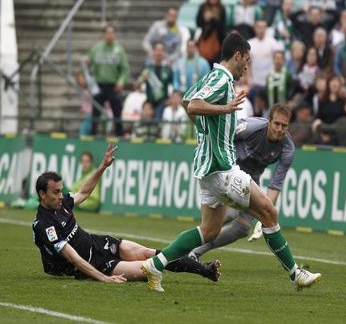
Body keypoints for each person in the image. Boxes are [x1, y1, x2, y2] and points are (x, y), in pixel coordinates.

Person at [141, 32, 321, 292]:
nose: (246, 67)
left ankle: (155, 265)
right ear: (237, 56)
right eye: (245, 61)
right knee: (269, 213)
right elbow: (193, 106)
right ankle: (296, 275)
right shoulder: (223, 80)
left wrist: (206, 131)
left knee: (209, 231)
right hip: (223, 168)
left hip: (207, 170)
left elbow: (185, 100)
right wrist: (224, 110)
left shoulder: (211, 76)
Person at [32, 144, 220, 283]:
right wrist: (103, 278)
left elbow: (83, 193)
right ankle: (202, 269)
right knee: (146, 269)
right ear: (42, 194)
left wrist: (103, 167)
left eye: (60, 191)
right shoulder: (45, 225)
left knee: (147, 253)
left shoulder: (62, 203)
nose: (60, 196)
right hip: (93, 263)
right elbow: (74, 258)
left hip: (98, 243)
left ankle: (205, 270)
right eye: (55, 192)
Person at [186, 104, 297, 259]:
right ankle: (186, 249)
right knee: (226, 216)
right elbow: (224, 135)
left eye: (284, 126)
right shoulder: (251, 127)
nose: (279, 129)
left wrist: (265, 216)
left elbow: (275, 185)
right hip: (231, 172)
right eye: (276, 124)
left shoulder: (288, 149)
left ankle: (195, 253)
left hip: (251, 180)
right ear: (269, 121)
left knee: (242, 228)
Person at [86, 24, 129, 136]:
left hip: (113, 85)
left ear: (114, 35)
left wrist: (121, 81)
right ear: (104, 35)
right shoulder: (96, 48)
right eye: (107, 33)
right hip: (98, 85)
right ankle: (93, 134)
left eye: (112, 33)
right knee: (96, 111)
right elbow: (87, 62)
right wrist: (86, 65)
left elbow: (125, 69)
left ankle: (119, 134)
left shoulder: (119, 50)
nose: (110, 35)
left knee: (116, 111)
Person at [138, 42, 173, 119]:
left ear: (164, 53)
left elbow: (173, 85)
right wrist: (142, 79)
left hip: (162, 102)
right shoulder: (147, 68)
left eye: (161, 50)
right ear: (153, 52)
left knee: (158, 120)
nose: (159, 53)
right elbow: (137, 85)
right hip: (149, 101)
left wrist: (170, 99)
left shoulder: (167, 69)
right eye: (157, 50)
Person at [196, 0, 227, 66]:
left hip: (218, 41)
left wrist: (212, 19)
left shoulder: (222, 8)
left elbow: (222, 26)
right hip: (205, 39)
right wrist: (204, 19)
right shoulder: (203, 7)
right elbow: (198, 23)